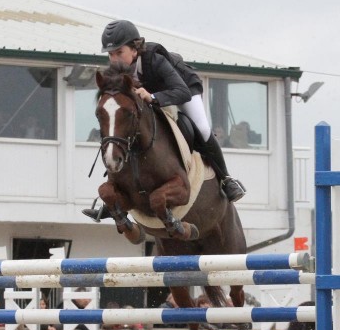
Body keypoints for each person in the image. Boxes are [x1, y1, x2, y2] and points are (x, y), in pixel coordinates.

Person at [83, 20, 245, 221]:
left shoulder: (154, 59)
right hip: (154, 97)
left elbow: (181, 92)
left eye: (119, 52)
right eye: (110, 54)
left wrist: (153, 97)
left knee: (202, 128)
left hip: (183, 89)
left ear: (135, 49)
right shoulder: (117, 72)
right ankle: (116, 199)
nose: (114, 59)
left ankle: (226, 180)